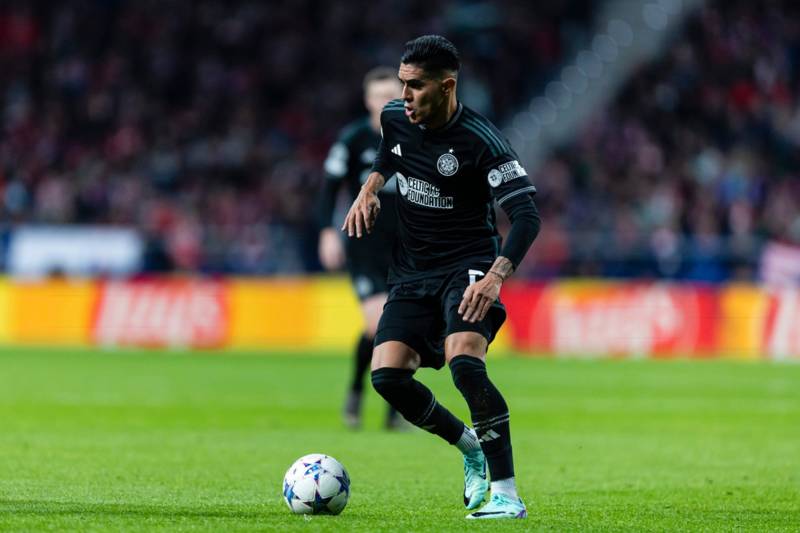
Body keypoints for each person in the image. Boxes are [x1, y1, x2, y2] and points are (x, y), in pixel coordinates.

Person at [342, 35, 540, 519]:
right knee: (387, 376)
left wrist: (494, 278)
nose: (403, 96)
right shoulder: (395, 117)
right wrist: (370, 189)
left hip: (469, 265)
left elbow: (526, 216)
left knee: (465, 362)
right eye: (402, 84)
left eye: (415, 86)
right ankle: (469, 446)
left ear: (447, 86)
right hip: (412, 270)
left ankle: (507, 494)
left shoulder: (481, 141)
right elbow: (388, 154)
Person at [318, 67, 404, 430]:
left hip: (407, 250)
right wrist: (326, 231)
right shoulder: (353, 140)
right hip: (364, 247)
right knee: (381, 322)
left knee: (401, 330)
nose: (386, 101)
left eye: (392, 95)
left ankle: (393, 410)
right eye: (379, 96)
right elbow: (329, 187)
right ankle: (358, 391)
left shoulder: (418, 136)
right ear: (368, 101)